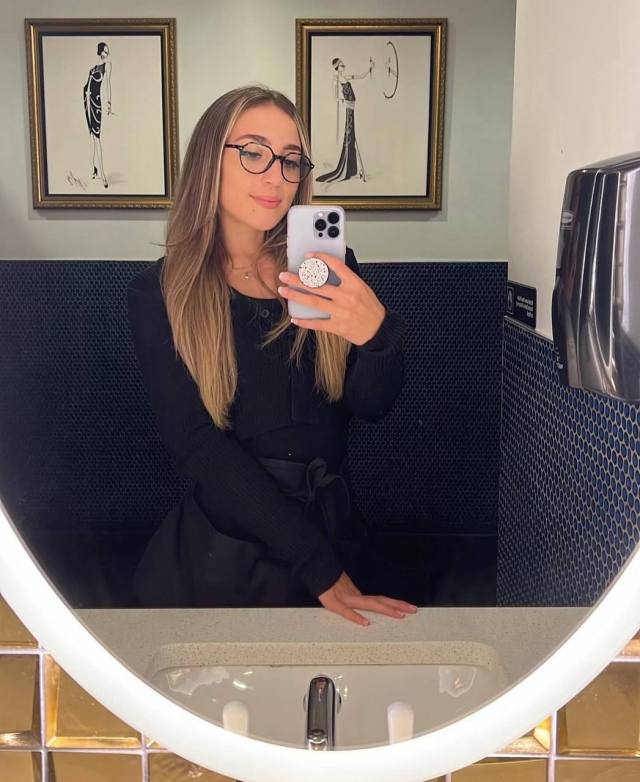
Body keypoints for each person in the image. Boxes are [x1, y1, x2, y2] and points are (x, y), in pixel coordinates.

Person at [126, 84, 418, 627]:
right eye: (254, 153)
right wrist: (318, 566)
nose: (276, 177)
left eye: (290, 160)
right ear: (210, 158)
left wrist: (378, 337)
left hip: (337, 533)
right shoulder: (159, 294)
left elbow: (372, 406)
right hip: (228, 551)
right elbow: (198, 447)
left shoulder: (326, 267)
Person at [83, 41, 112, 189]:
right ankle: (93, 169)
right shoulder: (92, 68)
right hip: (87, 102)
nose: (107, 54)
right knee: (91, 137)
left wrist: (109, 103)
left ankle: (103, 174)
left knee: (97, 136)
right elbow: (87, 85)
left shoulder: (107, 66)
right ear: (100, 52)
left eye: (107, 51)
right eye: (105, 51)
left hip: (96, 103)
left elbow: (107, 84)